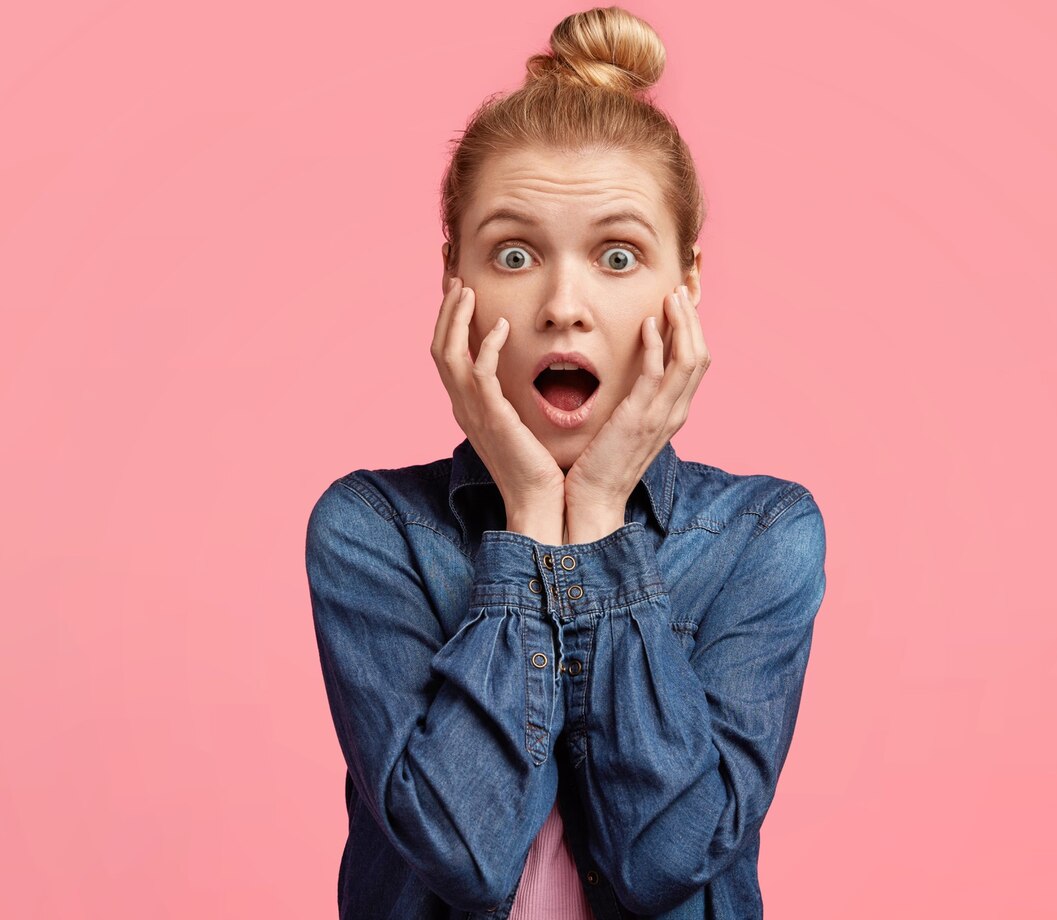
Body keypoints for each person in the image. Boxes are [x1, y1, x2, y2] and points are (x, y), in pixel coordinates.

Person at [304, 6, 828, 918]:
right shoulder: (370, 531)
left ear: (686, 286)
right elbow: (466, 850)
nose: (564, 305)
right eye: (514, 253)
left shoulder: (763, 536)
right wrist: (531, 523)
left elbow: (663, 856)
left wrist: (596, 528)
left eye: (618, 256)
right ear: (452, 281)